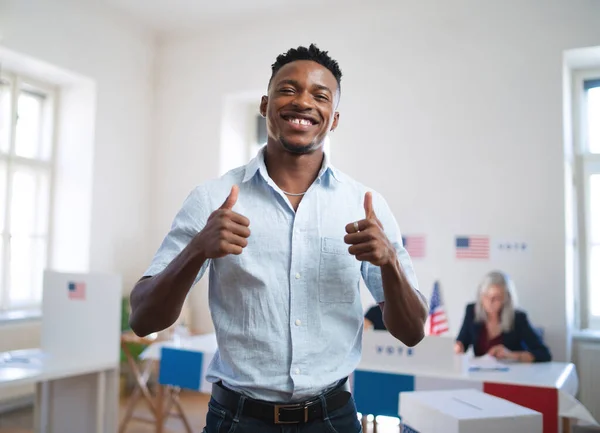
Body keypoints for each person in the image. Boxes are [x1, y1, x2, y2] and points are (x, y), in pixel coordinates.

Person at [129, 43, 428, 432]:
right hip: (237, 419)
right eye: (289, 90)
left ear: (333, 119)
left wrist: (389, 262)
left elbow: (413, 332)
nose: (303, 102)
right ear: (265, 104)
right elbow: (142, 318)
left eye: (320, 95)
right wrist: (197, 250)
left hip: (333, 419)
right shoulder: (212, 199)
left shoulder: (364, 205)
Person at [454, 270, 551, 363]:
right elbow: (462, 341)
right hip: (480, 374)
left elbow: (544, 354)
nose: (490, 302)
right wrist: (459, 347)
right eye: (486, 296)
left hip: (511, 375)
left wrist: (512, 355)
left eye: (496, 298)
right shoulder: (472, 311)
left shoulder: (518, 318)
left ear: (506, 299)